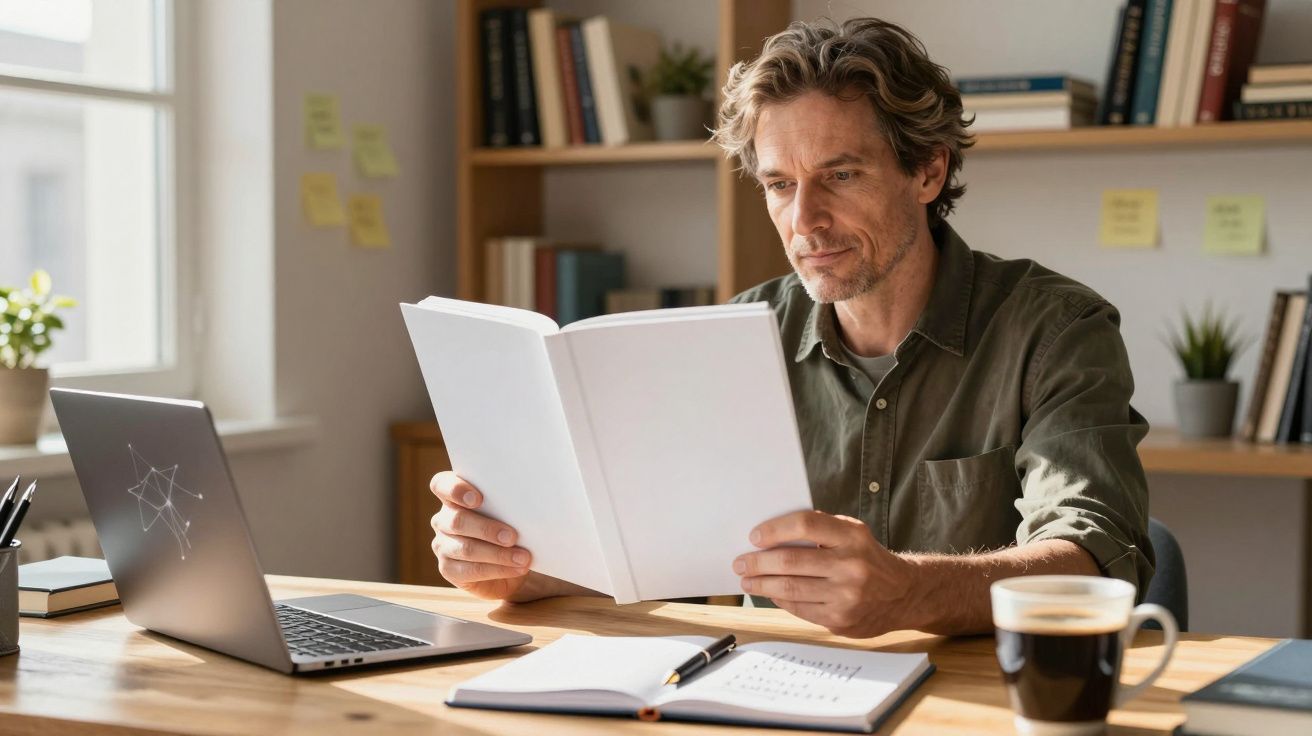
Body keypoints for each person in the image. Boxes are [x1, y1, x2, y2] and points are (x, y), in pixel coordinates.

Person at [428, 17, 1153, 638]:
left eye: (840, 176)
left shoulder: (1055, 329)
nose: (804, 221)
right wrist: (519, 568)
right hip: (770, 697)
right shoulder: (739, 335)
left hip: (981, 704)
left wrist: (910, 589)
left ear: (928, 172)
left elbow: (1095, 554)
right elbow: (655, 555)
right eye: (780, 185)